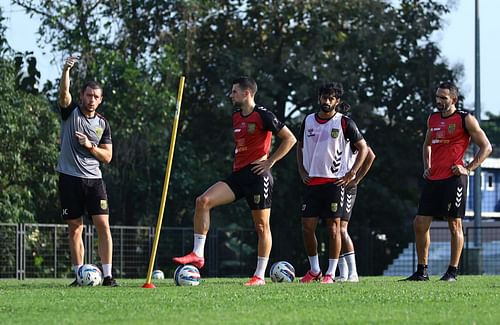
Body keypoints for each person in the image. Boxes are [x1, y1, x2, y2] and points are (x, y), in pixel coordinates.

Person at [173, 76, 297, 286]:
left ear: (247, 93)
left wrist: (270, 162)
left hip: (258, 176)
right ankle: (198, 254)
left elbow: (290, 138)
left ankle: (259, 276)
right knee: (203, 201)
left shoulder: (264, 115)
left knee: (261, 226)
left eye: (234, 92)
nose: (231, 95)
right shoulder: (236, 117)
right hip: (238, 176)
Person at [404, 82, 492, 281]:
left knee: (454, 225)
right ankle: (422, 271)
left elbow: (486, 147)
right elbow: (427, 145)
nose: (438, 101)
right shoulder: (432, 118)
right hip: (433, 179)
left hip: (454, 179)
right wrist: (427, 166)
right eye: (437, 97)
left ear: (453, 99)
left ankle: (452, 272)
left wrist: (468, 169)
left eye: (443, 98)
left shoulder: (465, 119)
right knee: (419, 223)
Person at [297, 82, 368, 284]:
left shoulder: (344, 122)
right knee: (307, 226)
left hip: (335, 184)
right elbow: (299, 146)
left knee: (334, 228)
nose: (326, 101)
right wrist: (302, 170)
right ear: (319, 98)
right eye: (323, 97)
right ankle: (315, 269)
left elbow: (364, 149)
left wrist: (353, 173)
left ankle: (330, 272)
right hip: (313, 183)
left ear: (337, 101)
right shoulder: (308, 120)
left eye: (331, 98)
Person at [57, 56, 118, 286]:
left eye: (96, 96)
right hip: (69, 178)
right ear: (81, 95)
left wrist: (89, 146)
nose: (91, 99)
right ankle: (79, 275)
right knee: (75, 227)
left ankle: (108, 275)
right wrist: (66, 71)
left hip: (94, 181)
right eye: (88, 95)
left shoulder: (103, 124)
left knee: (103, 225)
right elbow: (64, 94)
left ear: (100, 100)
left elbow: (108, 157)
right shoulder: (70, 112)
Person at [335, 102, 376, 282]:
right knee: (334, 229)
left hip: (348, 186)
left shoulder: (348, 132)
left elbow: (370, 154)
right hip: (334, 185)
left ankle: (353, 272)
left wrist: (356, 177)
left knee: (342, 229)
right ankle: (343, 273)